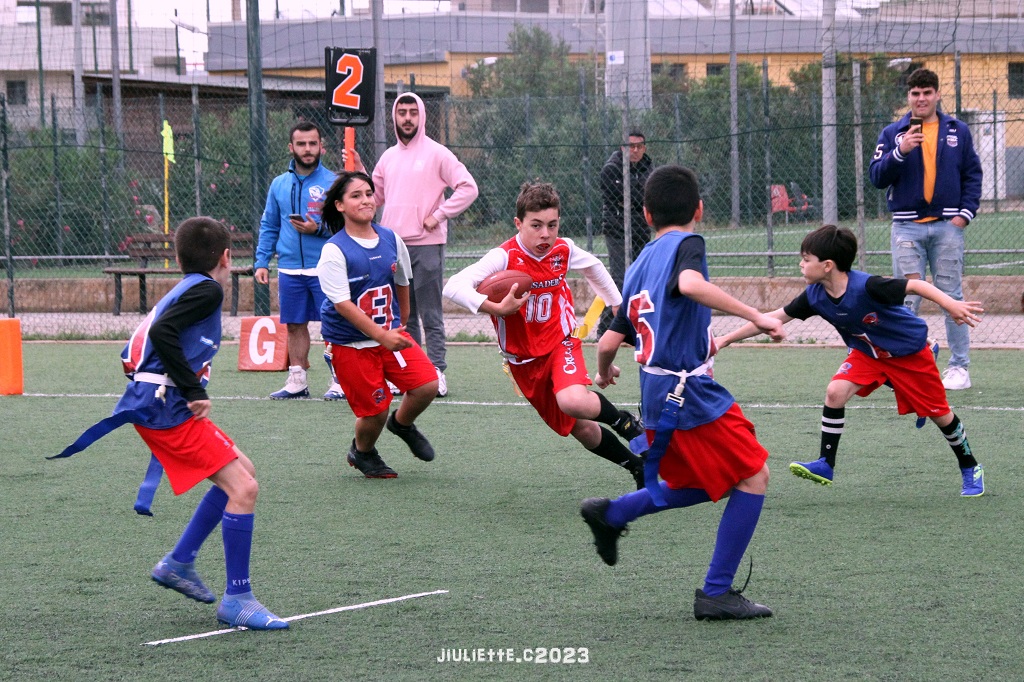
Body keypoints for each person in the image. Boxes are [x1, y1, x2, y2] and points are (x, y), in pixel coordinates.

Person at [54, 217, 287, 630]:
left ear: (178, 259)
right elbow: (163, 332)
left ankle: (179, 562)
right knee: (244, 488)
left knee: (244, 473)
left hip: (158, 403)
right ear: (227, 257)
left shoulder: (188, 287)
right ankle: (237, 598)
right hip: (167, 407)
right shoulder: (209, 289)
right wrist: (193, 389)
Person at [583, 165, 784, 621]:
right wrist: (759, 316)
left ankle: (612, 514)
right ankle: (716, 592)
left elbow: (609, 340)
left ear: (646, 214)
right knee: (753, 475)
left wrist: (604, 372)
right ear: (699, 209)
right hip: (687, 391)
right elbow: (691, 284)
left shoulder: (638, 264)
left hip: (656, 391)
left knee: (704, 479)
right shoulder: (688, 244)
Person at [715, 225, 985, 498]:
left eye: (806, 259)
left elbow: (916, 285)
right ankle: (825, 464)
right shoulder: (814, 295)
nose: (801, 264)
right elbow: (772, 318)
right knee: (835, 392)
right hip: (867, 354)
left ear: (827, 265)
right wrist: (725, 339)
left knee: (940, 415)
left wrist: (951, 304)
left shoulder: (868, 287)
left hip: (909, 356)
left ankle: (970, 466)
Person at [443, 181, 647, 490]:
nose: (545, 234)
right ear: (518, 223)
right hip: (523, 361)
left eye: (552, 225)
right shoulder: (503, 257)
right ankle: (637, 466)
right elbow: (453, 286)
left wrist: (619, 309)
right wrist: (495, 307)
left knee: (573, 401)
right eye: (536, 225)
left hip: (560, 342)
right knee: (581, 429)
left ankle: (626, 423)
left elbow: (594, 267)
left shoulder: (563, 250)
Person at [345, 93, 479, 398]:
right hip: (393, 246)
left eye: (412, 112)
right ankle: (416, 373)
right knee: (404, 316)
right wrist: (361, 168)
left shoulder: (437, 153)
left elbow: (468, 187)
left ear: (421, 116)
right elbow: (376, 197)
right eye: (401, 112)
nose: (407, 118)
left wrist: (438, 215)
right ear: (394, 117)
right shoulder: (388, 158)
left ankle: (437, 371)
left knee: (430, 314)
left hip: (427, 245)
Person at [317, 171, 439, 479]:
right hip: (351, 343)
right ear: (340, 205)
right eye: (356, 195)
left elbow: (402, 281)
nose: (365, 200)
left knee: (427, 385)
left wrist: (402, 323)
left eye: (369, 193)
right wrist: (381, 335)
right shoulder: (334, 250)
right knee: (375, 410)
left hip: (388, 335)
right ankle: (363, 451)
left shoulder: (390, 238)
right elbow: (343, 305)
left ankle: (402, 424)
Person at [869, 68, 982, 390]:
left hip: (947, 227)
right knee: (905, 300)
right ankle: (906, 365)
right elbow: (877, 177)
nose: (921, 99)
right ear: (909, 96)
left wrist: (964, 214)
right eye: (915, 93)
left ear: (937, 95)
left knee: (952, 298)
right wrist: (901, 151)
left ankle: (959, 368)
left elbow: (972, 174)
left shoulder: (958, 130)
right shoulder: (893, 133)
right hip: (906, 228)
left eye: (927, 92)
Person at [254, 121, 342, 400]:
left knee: (333, 324)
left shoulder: (334, 183)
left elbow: (346, 225)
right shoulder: (279, 184)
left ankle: (340, 380)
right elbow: (269, 225)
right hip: (290, 268)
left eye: (312, 143)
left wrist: (318, 229)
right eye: (301, 144)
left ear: (321, 147)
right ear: (291, 147)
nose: (307, 149)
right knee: (294, 324)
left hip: (325, 267)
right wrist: (261, 261)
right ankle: (297, 380)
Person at [596, 130, 655, 336]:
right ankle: (605, 329)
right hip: (617, 231)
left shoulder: (649, 168)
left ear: (644, 148)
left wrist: (634, 198)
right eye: (631, 146)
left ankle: (635, 329)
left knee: (640, 280)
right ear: (623, 148)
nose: (635, 150)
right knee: (619, 281)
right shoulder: (611, 169)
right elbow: (622, 197)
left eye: (639, 146)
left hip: (641, 230)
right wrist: (637, 198)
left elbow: (647, 197)